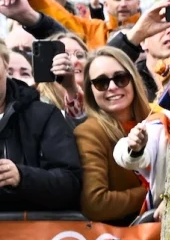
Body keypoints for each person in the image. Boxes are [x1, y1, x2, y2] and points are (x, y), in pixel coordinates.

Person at [73, 47, 158, 223]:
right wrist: (157, 193)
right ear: (91, 90)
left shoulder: (159, 118)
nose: (112, 87)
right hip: (129, 235)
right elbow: (96, 203)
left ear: (133, 80)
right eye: (101, 82)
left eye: (121, 78)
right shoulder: (89, 133)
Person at [0, 54, 82, 213]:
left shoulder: (44, 115)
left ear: (5, 64)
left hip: (32, 225)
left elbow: (70, 183)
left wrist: (21, 176)